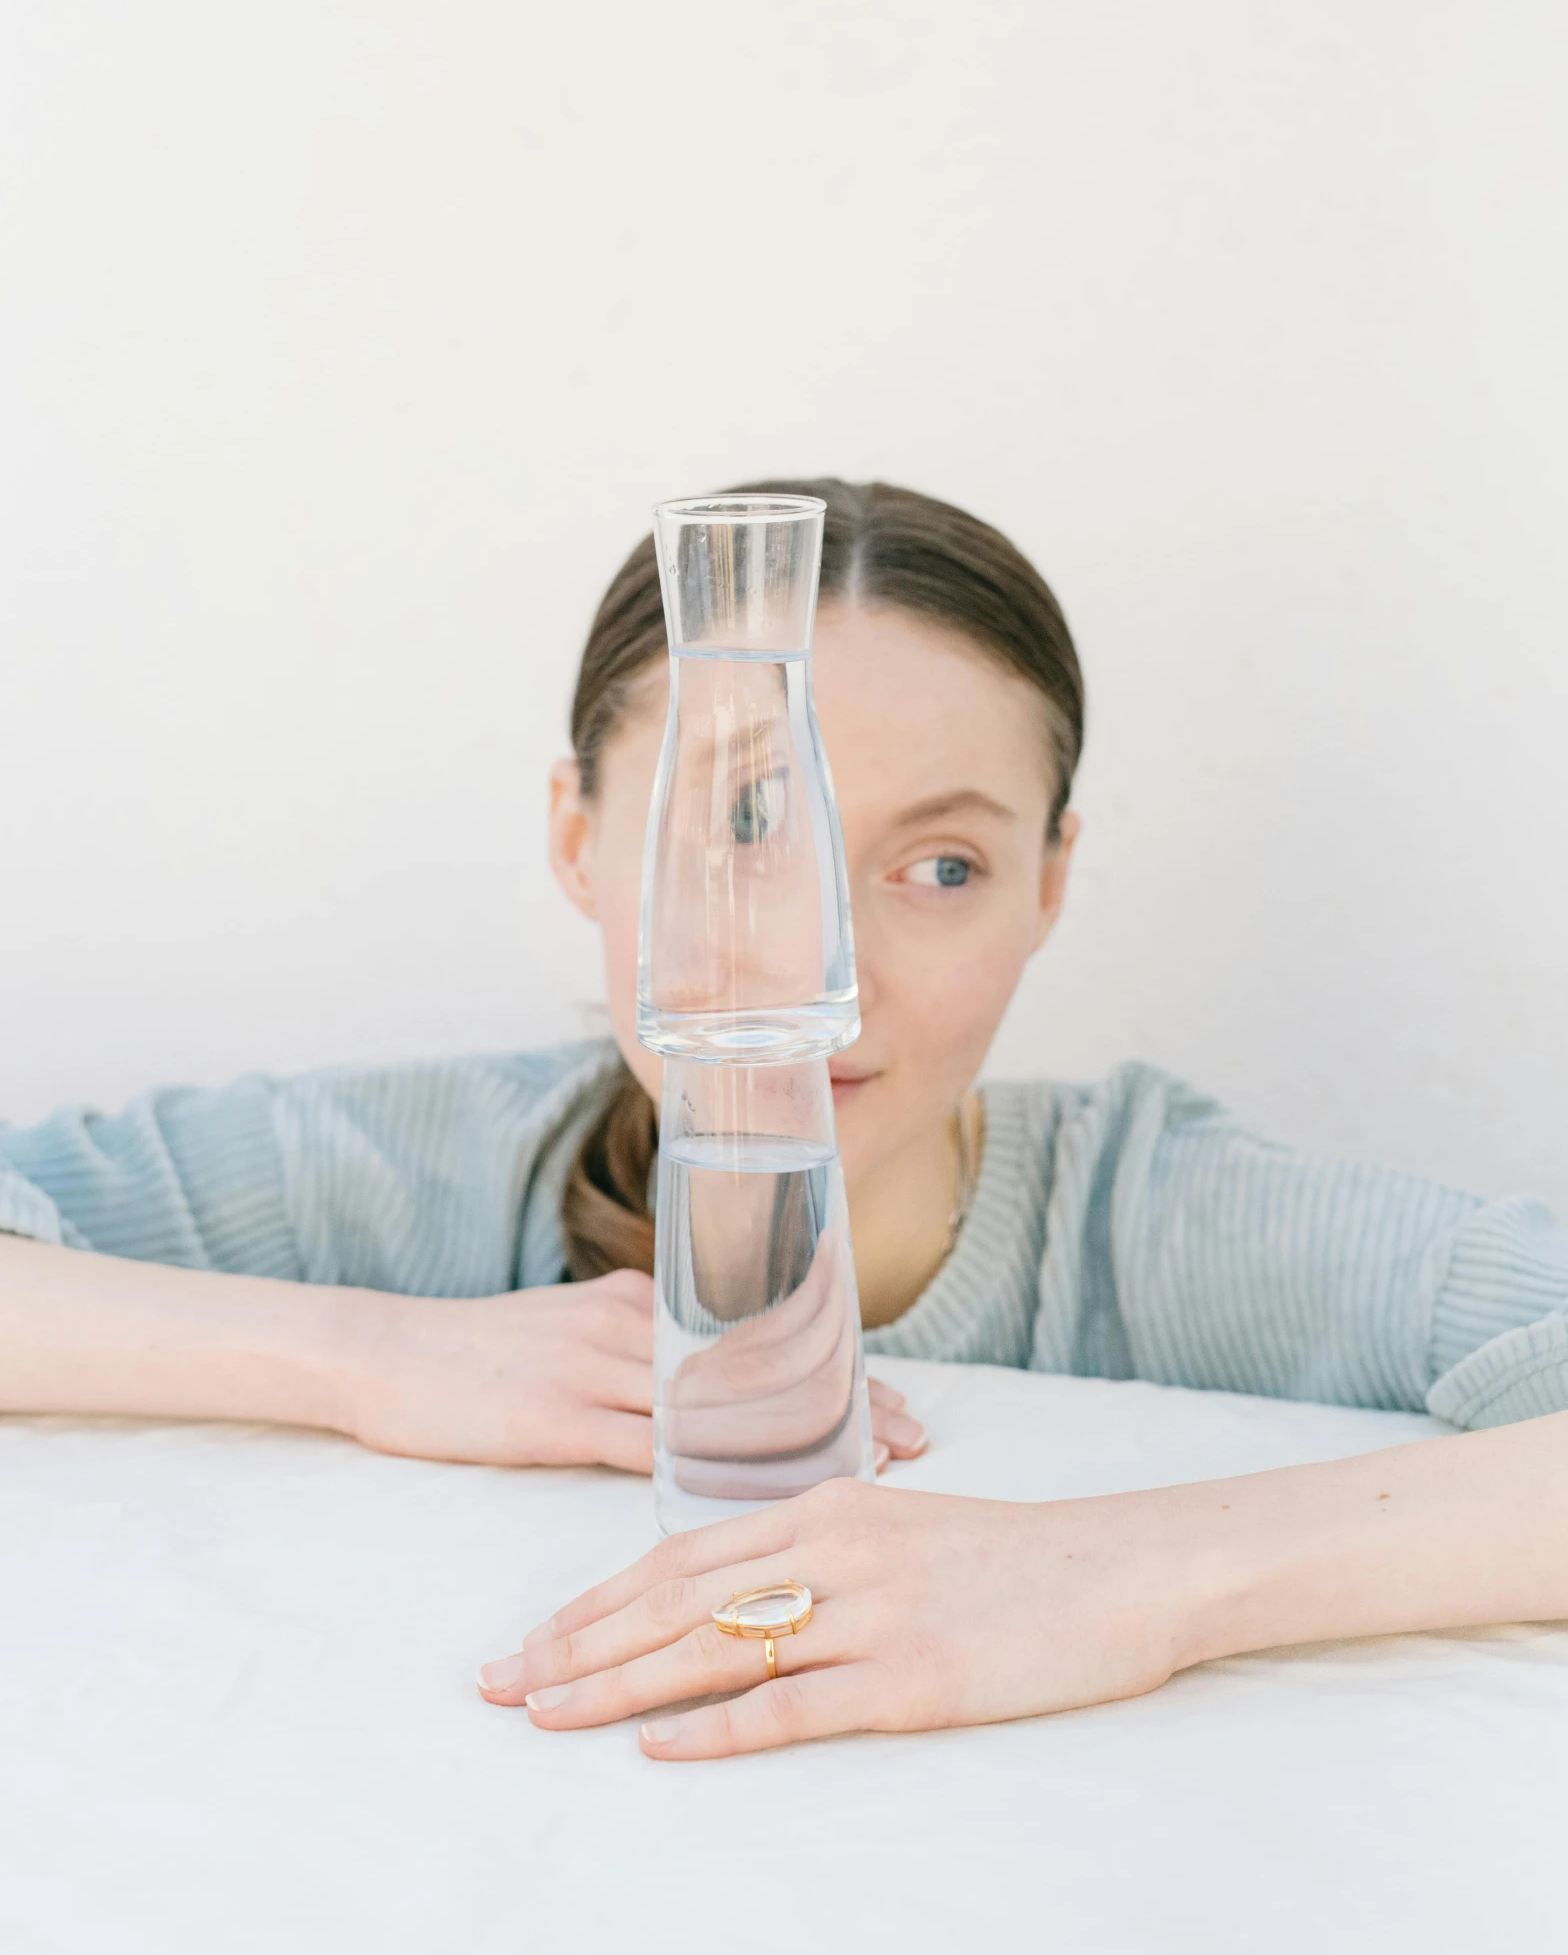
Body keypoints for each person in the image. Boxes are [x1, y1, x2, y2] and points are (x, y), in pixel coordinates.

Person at [3, 478, 1566, 1761]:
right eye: (747, 823)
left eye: (940, 867)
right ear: (579, 835)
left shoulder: (1164, 1222)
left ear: (1052, 882)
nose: (826, 971)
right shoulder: (415, 1175)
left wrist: (1124, 1575)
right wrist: (366, 1352)